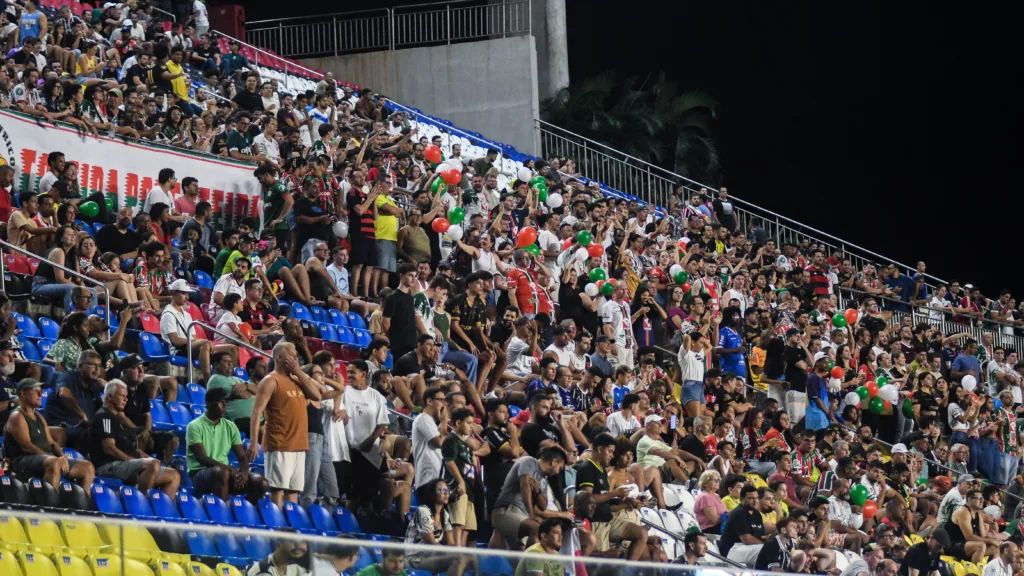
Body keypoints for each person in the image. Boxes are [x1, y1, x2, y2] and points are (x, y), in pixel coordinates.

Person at [247, 341, 323, 508]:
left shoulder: (297, 379)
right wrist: (253, 443)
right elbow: (256, 412)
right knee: (277, 489)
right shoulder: (270, 380)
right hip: (279, 443)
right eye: (292, 356)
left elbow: (317, 395)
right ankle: (277, 526)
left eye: (296, 357)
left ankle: (290, 526)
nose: (296, 360)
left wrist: (298, 372)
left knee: (293, 491)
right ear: (280, 358)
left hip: (299, 444)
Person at [3, 377, 95, 493]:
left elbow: (52, 443)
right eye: (35, 391)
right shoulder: (17, 416)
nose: (40, 394)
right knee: (54, 463)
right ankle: (52, 506)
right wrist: (53, 458)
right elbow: (26, 446)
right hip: (22, 460)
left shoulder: (39, 417)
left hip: (45, 458)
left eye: (41, 391)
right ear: (22, 394)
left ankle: (82, 508)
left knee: (87, 467)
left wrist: (63, 457)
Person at [89, 380, 181, 496]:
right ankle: (141, 502)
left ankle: (162, 512)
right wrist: (132, 460)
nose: (126, 400)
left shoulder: (115, 418)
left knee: (174, 475)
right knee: (152, 464)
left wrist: (138, 453)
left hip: (123, 464)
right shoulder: (104, 417)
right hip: (108, 467)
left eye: (126, 396)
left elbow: (120, 444)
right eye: (122, 396)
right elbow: (109, 448)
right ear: (109, 397)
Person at [185, 386, 268, 502]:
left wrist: (244, 473)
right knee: (222, 473)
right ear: (209, 404)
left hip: (224, 473)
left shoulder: (230, 426)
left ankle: (241, 511)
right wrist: (228, 468)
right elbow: (202, 458)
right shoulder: (194, 426)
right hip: (200, 474)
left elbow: (242, 457)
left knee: (261, 483)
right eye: (221, 403)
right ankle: (222, 513)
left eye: (226, 403)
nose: (225, 406)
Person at [577, 433, 649, 560]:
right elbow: (587, 499)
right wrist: (615, 493)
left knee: (642, 533)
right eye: (610, 451)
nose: (612, 455)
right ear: (600, 449)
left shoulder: (602, 470)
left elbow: (604, 498)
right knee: (601, 562)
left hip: (608, 519)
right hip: (596, 521)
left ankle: (628, 571)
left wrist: (622, 500)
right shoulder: (587, 468)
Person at [491, 446, 568, 549]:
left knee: (517, 558)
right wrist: (531, 515)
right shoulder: (529, 462)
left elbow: (542, 506)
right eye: (559, 467)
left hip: (521, 515)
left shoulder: (543, 478)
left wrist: (538, 492)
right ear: (554, 462)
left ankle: (529, 561)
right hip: (506, 510)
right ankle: (532, 563)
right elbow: (525, 486)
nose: (558, 472)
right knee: (536, 528)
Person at [403, 477, 469, 576]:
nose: (446, 493)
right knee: (458, 560)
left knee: (472, 560)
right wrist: (454, 554)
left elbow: (451, 542)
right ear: (433, 494)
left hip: (432, 555)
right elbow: (430, 542)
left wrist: (459, 552)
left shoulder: (444, 514)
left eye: (447, 490)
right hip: (416, 558)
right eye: (442, 490)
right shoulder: (423, 511)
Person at [412, 385, 448, 497]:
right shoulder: (423, 418)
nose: (444, 404)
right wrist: (444, 423)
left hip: (436, 478)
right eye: (441, 400)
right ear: (429, 401)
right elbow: (439, 443)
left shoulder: (432, 422)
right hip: (427, 479)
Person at [719, 485, 767, 567]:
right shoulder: (739, 512)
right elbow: (747, 539)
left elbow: (761, 537)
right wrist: (767, 544)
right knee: (767, 549)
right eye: (750, 498)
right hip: (732, 549)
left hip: (747, 548)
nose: (755, 501)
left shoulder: (757, 514)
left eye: (756, 498)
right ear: (742, 499)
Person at [384, 263, 420, 360]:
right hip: (399, 344)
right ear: (401, 275)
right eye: (410, 275)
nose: (413, 279)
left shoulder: (410, 298)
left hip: (411, 343)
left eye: (415, 276)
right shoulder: (393, 297)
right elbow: (385, 321)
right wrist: (394, 338)